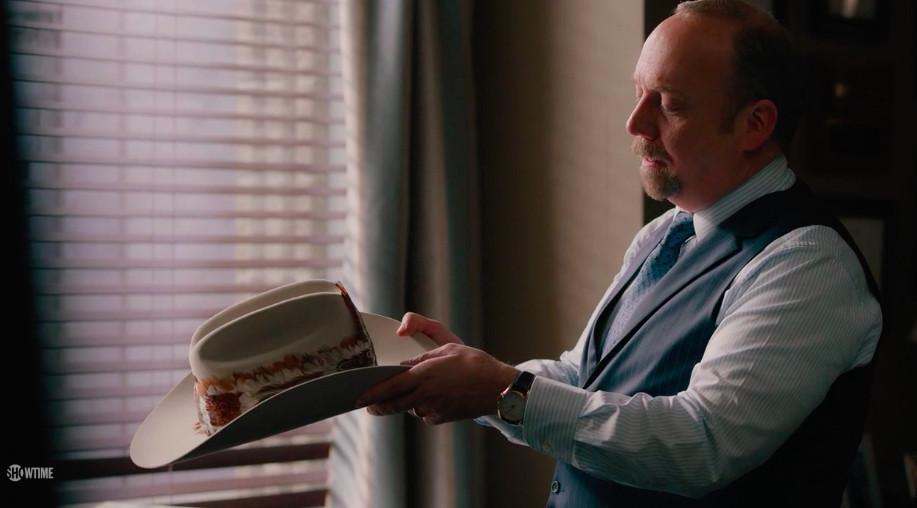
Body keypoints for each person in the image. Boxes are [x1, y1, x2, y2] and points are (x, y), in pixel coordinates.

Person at [355, 1, 883, 506]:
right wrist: (466, 374)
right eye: (638, 93)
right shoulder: (663, 235)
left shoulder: (809, 264)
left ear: (755, 124)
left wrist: (499, 390)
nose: (635, 123)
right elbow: (583, 377)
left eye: (669, 104)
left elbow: (700, 445)